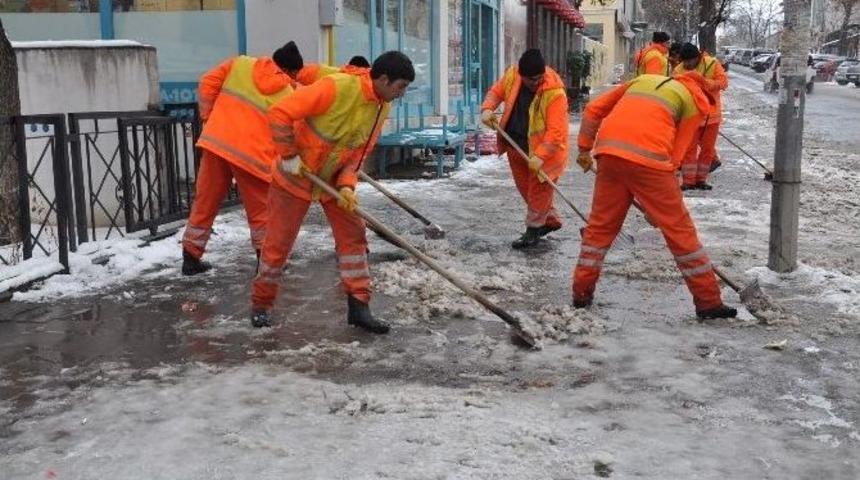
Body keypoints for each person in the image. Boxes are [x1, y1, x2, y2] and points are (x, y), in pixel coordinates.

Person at [249, 51, 415, 330]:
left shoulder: (380, 108)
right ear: (384, 80)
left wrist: (347, 186)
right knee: (278, 245)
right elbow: (279, 113)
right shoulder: (335, 87)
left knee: (354, 237)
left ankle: (359, 306)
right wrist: (289, 155)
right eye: (400, 87)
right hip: (295, 177)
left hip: (332, 182)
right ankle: (261, 304)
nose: (401, 94)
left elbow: (357, 156)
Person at [572, 72, 737, 320]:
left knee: (600, 227)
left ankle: (581, 293)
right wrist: (657, 206)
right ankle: (708, 301)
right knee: (680, 231)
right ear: (702, 93)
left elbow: (594, 109)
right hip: (650, 163)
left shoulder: (643, 81)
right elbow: (676, 157)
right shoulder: (694, 104)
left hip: (609, 154)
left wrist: (584, 149)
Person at [181, 43, 295, 275]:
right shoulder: (287, 94)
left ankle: (190, 257)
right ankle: (265, 262)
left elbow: (207, 83)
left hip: (217, 144)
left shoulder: (239, 64)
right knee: (262, 210)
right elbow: (287, 134)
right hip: (252, 158)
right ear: (290, 71)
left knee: (205, 201)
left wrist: (209, 118)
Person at [479, 49, 569, 249]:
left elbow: (556, 133)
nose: (535, 83)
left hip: (545, 154)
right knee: (526, 191)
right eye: (530, 80)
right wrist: (487, 108)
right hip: (515, 144)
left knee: (538, 192)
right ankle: (550, 220)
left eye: (538, 79)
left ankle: (532, 231)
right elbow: (496, 92)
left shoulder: (555, 93)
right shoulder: (512, 76)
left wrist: (540, 156)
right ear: (521, 74)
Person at [674, 43, 728, 190]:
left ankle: (701, 180)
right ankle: (688, 181)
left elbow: (723, 83)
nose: (687, 64)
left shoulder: (712, 63)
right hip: (691, 116)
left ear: (697, 57)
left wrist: (704, 82)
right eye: (684, 61)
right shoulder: (678, 70)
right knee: (688, 150)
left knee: (707, 150)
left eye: (690, 61)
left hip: (712, 116)